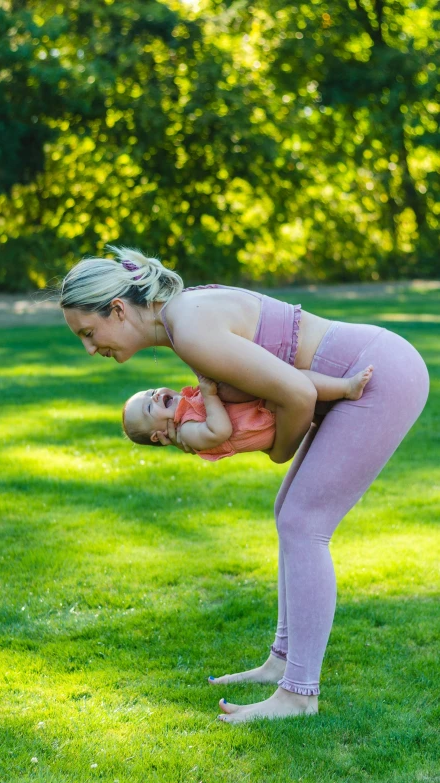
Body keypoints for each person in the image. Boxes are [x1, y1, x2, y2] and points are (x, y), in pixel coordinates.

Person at [60, 246, 429, 723]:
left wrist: (278, 451)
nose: (91, 349)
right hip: (368, 370)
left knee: (303, 523)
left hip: (378, 375)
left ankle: (299, 694)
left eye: (89, 334)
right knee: (290, 515)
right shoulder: (182, 317)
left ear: (117, 309)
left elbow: (296, 394)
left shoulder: (187, 328)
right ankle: (282, 661)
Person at [122, 367, 374, 460]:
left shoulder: (187, 409)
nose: (154, 395)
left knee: (293, 380)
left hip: (258, 410)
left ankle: (335, 401)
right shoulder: (188, 433)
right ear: (158, 435)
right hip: (263, 421)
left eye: (151, 391)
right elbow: (221, 430)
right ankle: (346, 388)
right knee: (295, 382)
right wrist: (209, 395)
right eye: (148, 406)